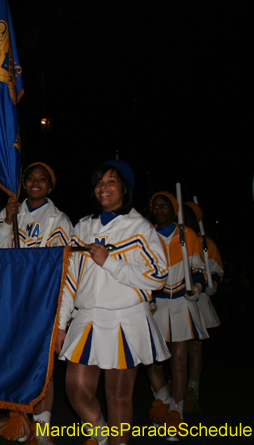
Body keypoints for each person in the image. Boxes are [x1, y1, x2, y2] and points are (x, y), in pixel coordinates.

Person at [59, 161, 168, 445]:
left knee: (118, 395)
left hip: (125, 319)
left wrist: (111, 263)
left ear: (124, 188)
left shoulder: (139, 226)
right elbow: (69, 280)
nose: (103, 188)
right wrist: (60, 326)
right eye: (99, 182)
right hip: (87, 319)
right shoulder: (83, 226)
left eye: (111, 182)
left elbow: (158, 276)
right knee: (76, 390)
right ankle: (102, 435)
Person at [0, 162, 72, 444]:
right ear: (23, 184)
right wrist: (8, 222)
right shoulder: (10, 211)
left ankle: (43, 431)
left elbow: (59, 266)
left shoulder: (59, 219)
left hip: (41, 302)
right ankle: (20, 417)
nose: (36, 183)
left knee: (42, 367)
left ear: (50, 186)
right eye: (31, 179)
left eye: (42, 180)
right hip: (9, 301)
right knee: (15, 363)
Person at [146, 191, 207, 440]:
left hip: (182, 302)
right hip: (155, 306)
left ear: (174, 210)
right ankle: (162, 398)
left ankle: (176, 413)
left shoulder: (188, 235)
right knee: (151, 360)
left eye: (165, 206)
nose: (160, 210)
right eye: (156, 206)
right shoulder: (146, 235)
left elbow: (200, 269)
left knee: (179, 359)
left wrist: (199, 287)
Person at [182, 202, 223, 411]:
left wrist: (212, 283)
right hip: (178, 300)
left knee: (196, 346)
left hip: (199, 300)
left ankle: (193, 388)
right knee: (179, 346)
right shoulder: (176, 239)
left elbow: (215, 269)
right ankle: (177, 388)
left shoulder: (206, 243)